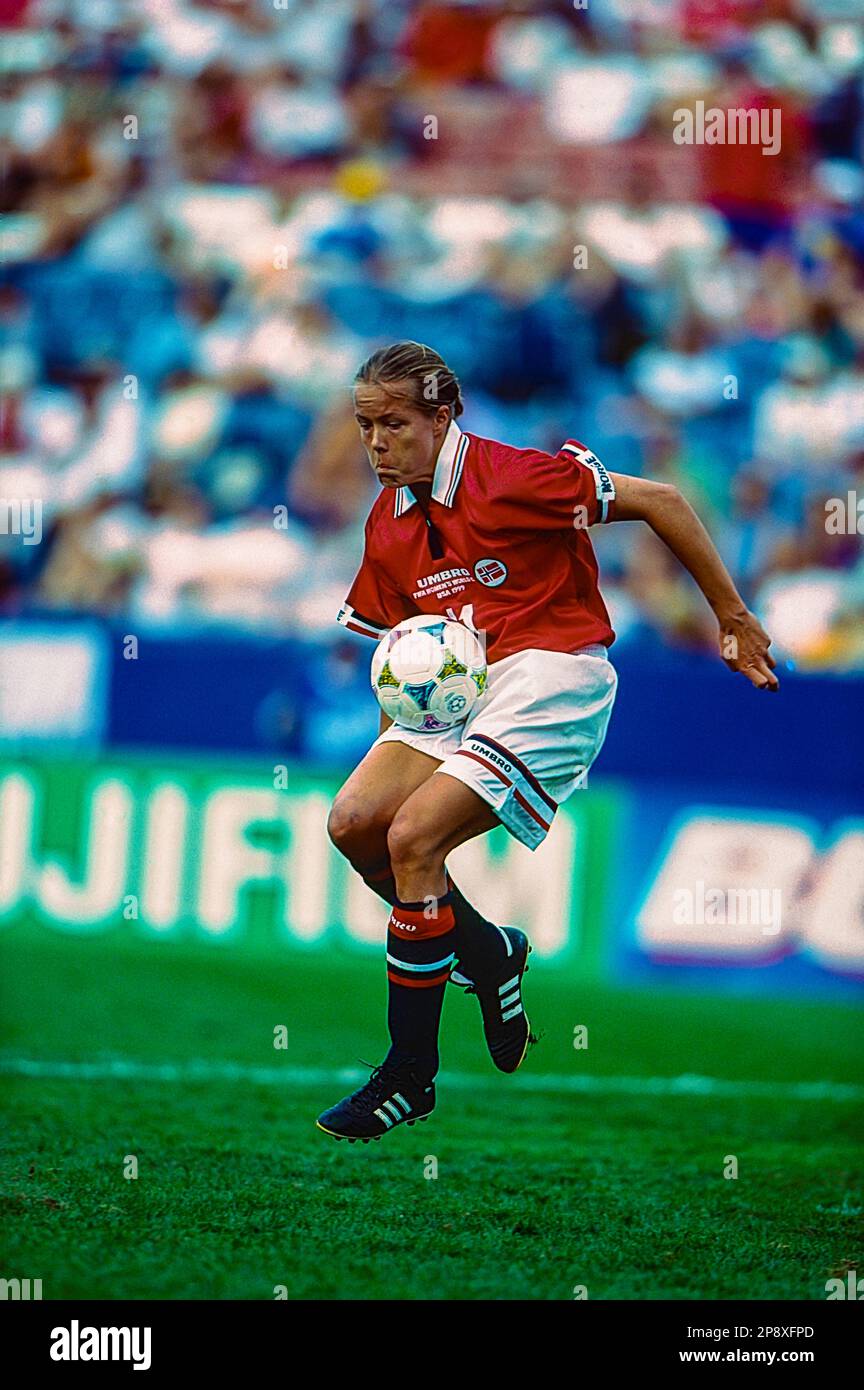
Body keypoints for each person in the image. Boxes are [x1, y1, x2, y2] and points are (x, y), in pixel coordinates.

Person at [317, 341, 779, 1142]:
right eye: (365, 425)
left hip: (552, 674)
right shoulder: (386, 525)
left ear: (442, 416)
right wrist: (393, 745)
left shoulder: (513, 479)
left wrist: (731, 617)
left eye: (395, 423)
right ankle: (491, 953)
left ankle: (409, 1076)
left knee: (415, 837)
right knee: (356, 822)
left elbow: (663, 499)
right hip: (464, 688)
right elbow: (408, 654)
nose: (377, 443)